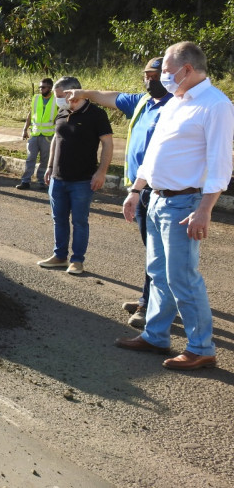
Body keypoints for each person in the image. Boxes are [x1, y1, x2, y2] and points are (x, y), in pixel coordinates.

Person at [115, 41, 234, 371]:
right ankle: (156, 335)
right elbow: (154, 154)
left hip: (185, 203)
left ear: (187, 70)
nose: (162, 77)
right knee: (158, 273)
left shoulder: (215, 105)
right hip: (156, 198)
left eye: (166, 71)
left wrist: (205, 209)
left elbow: (221, 163)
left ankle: (201, 348)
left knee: (183, 278)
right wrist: (136, 190)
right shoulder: (175, 102)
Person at [66, 58, 172, 328]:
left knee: (159, 253)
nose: (150, 79)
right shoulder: (141, 102)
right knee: (153, 251)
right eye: (146, 74)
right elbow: (109, 96)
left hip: (164, 189)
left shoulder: (177, 105)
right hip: (141, 189)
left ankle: (152, 306)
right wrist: (84, 93)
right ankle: (153, 299)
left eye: (156, 74)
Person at [36, 76, 113, 275]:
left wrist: (101, 172)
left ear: (75, 93)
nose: (58, 100)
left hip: (83, 180)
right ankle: (59, 256)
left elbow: (107, 143)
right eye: (56, 96)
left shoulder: (96, 114)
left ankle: (77, 260)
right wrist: (49, 167)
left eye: (61, 96)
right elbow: (56, 139)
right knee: (58, 219)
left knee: (79, 221)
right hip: (58, 179)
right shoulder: (62, 113)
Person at [16, 78, 57, 190]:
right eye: (40, 87)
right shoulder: (36, 98)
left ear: (50, 88)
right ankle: (25, 181)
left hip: (48, 136)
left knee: (45, 160)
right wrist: (25, 129)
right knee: (30, 158)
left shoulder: (56, 99)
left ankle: (42, 182)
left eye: (43, 87)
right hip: (34, 134)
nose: (40, 89)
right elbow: (31, 114)